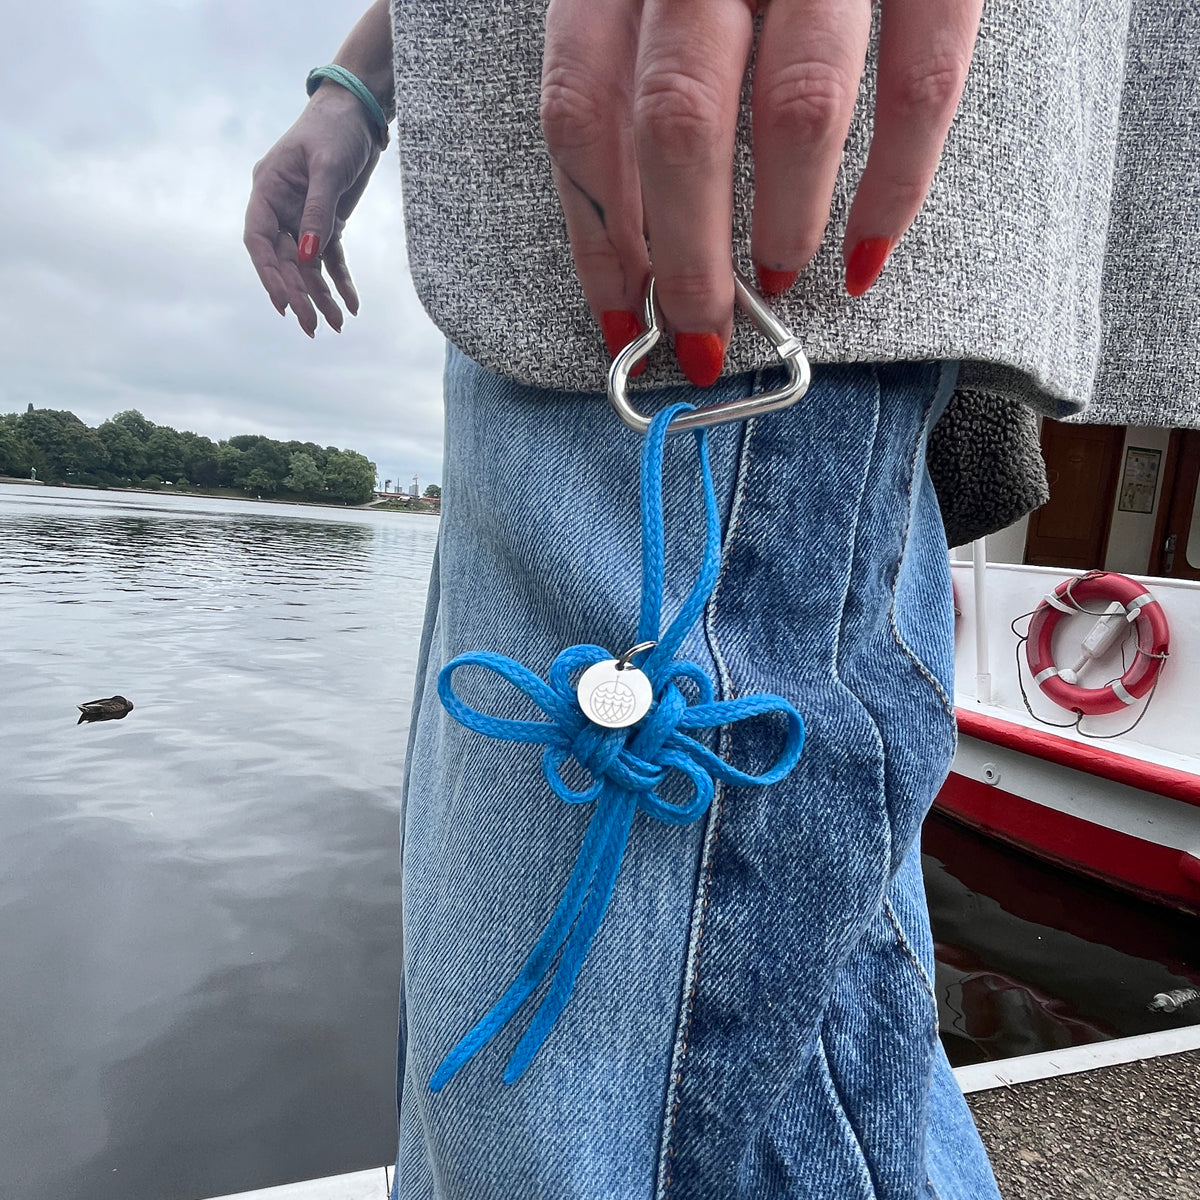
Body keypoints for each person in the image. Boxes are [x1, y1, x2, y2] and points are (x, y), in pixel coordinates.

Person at [245, 2, 1200, 1197]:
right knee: (812, 1055)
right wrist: (366, 78)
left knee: (549, 1133)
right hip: (547, 200)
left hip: (726, 213)